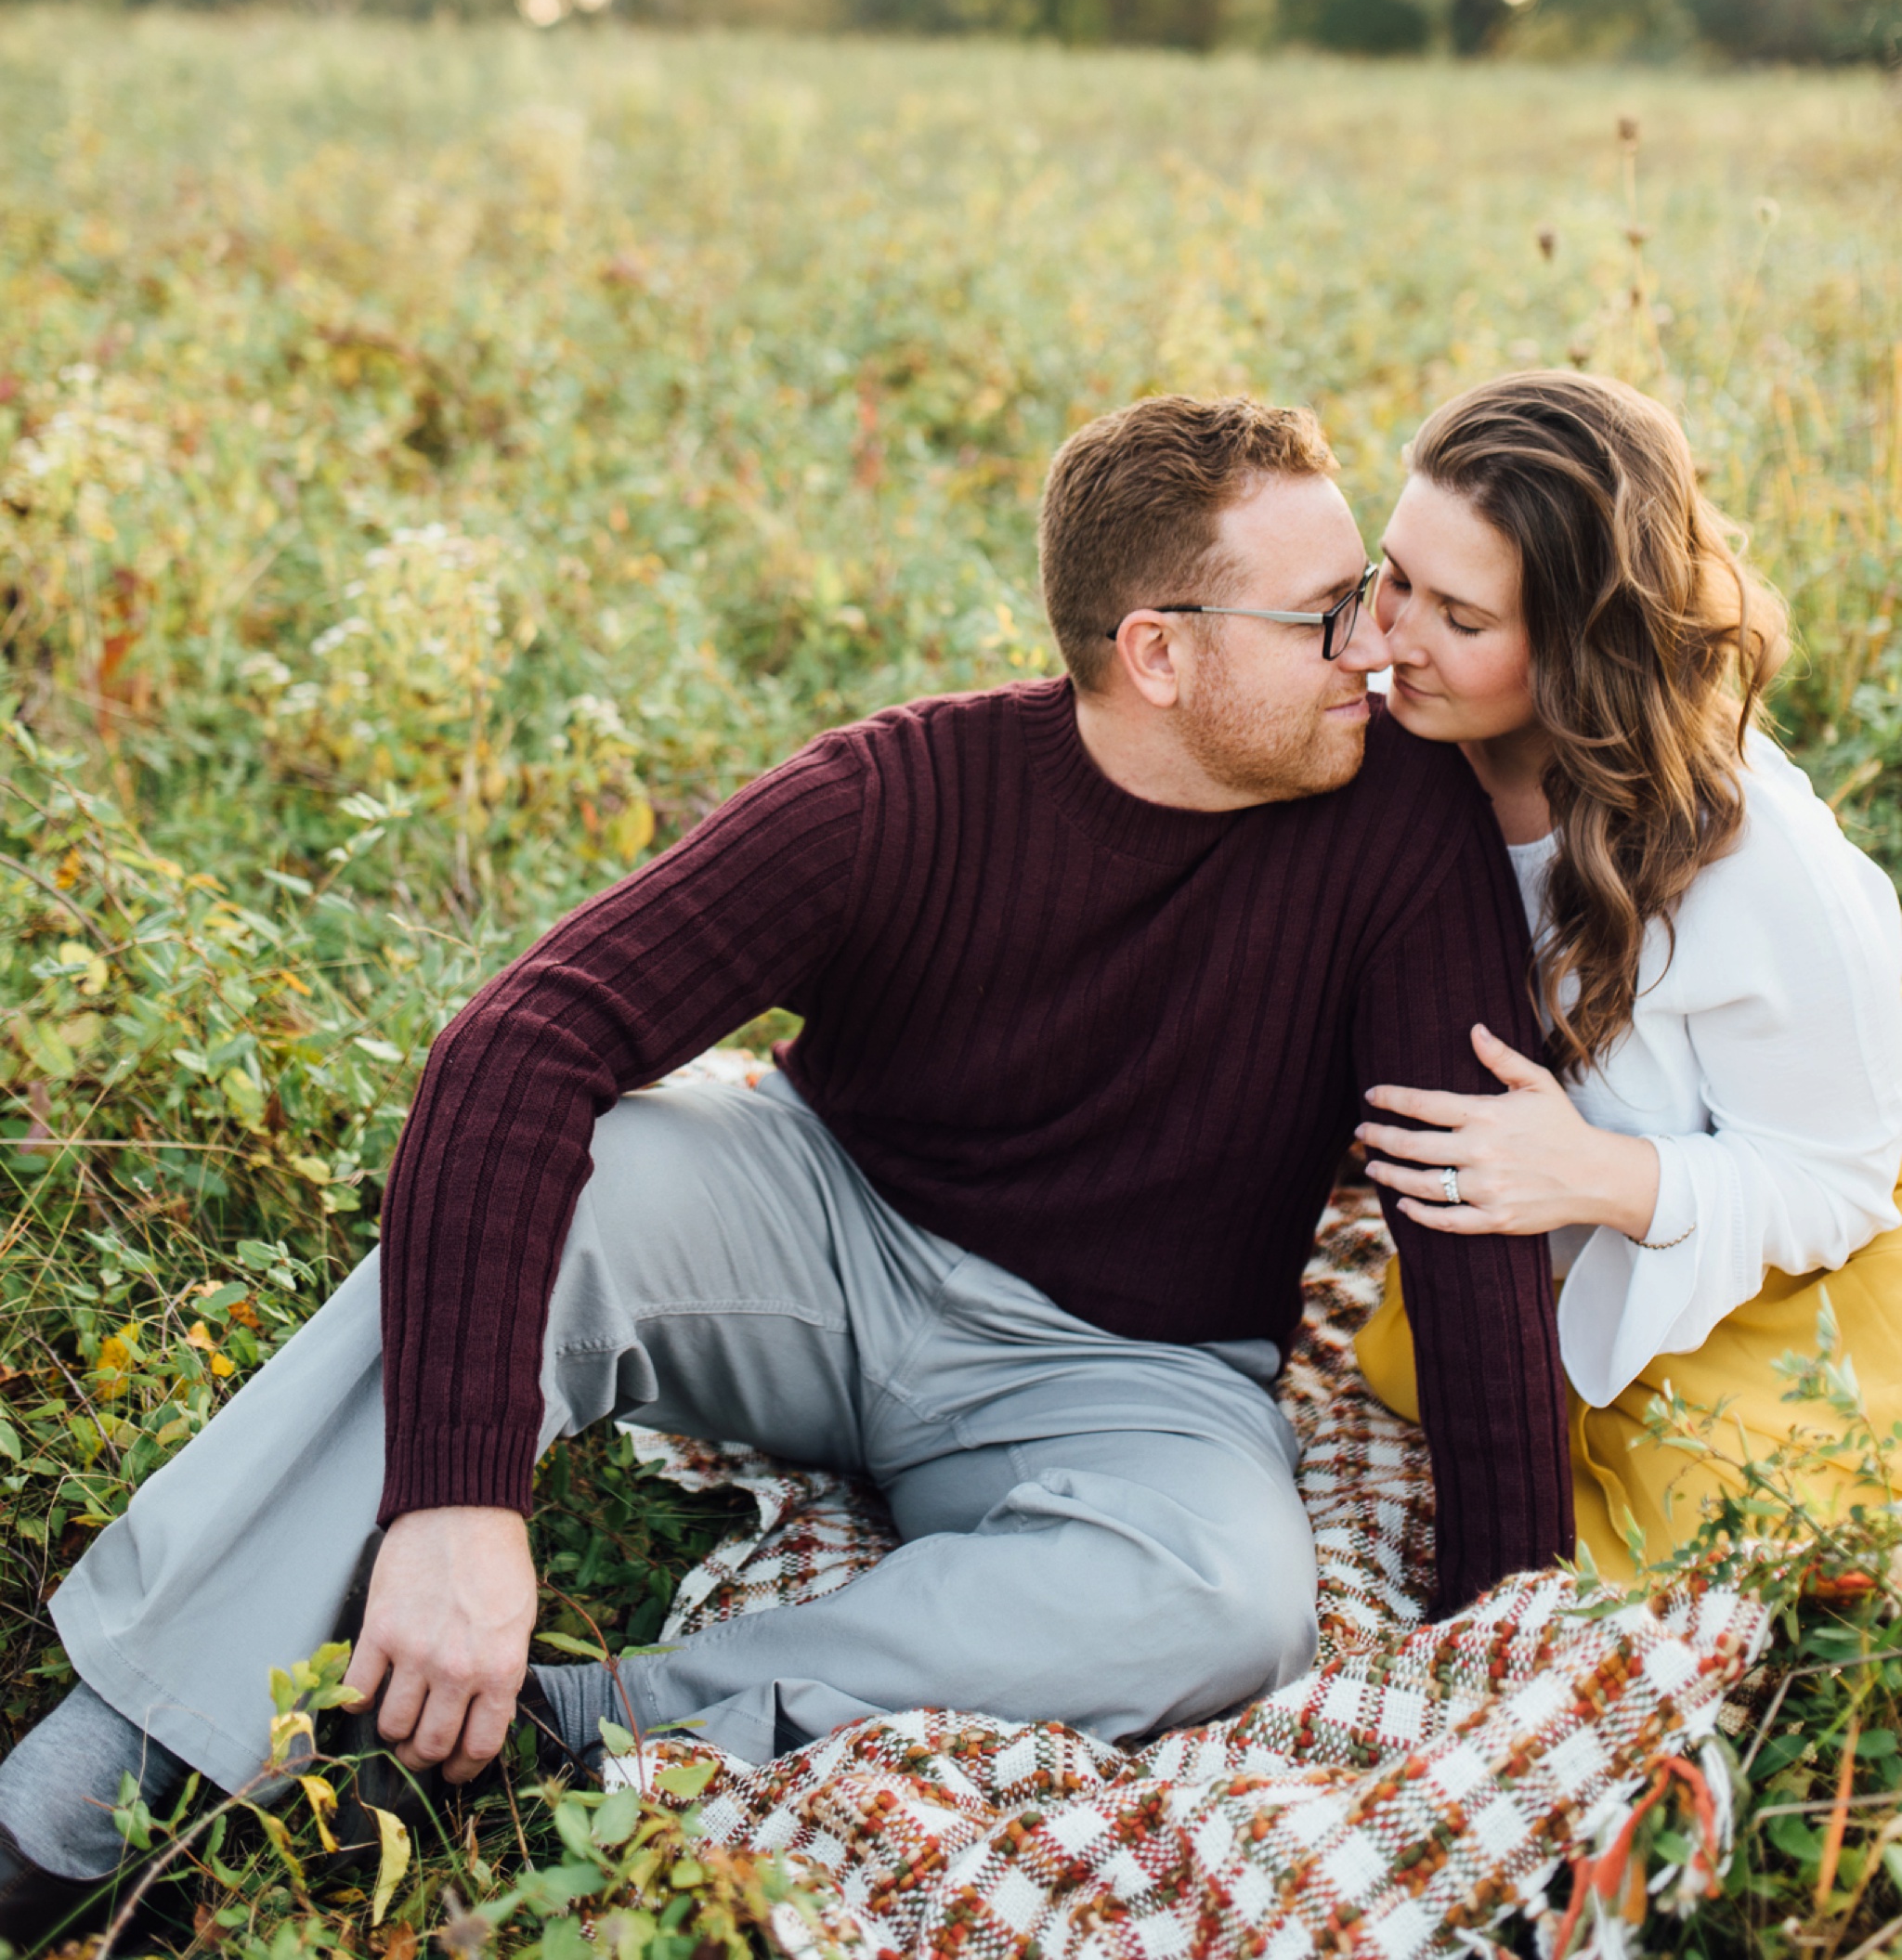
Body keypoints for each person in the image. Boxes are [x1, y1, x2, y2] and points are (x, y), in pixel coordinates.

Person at [0, 396, 1572, 1939]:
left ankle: (554, 1733)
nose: (1372, 645)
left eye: (1363, 592)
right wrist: (459, 1500)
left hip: (1126, 1371)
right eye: (1321, 614)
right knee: (577, 1185)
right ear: (1158, 652)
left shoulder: (1402, 834)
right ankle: (107, 1768)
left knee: (1229, 1601)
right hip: (823, 1238)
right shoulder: (905, 798)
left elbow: (1469, 1206)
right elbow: (523, 1042)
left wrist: (1513, 1639)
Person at [1352, 369, 1902, 1577]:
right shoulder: (1400, 751)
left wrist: (1599, 1175)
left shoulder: (1759, 862)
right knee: (1413, 1373)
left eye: (1462, 616)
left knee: (1688, 1522)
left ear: (1582, 647)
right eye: (1395, 576)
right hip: (1523, 1250)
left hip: (1759, 1275)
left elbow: (1844, 1180)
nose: (1388, 640)